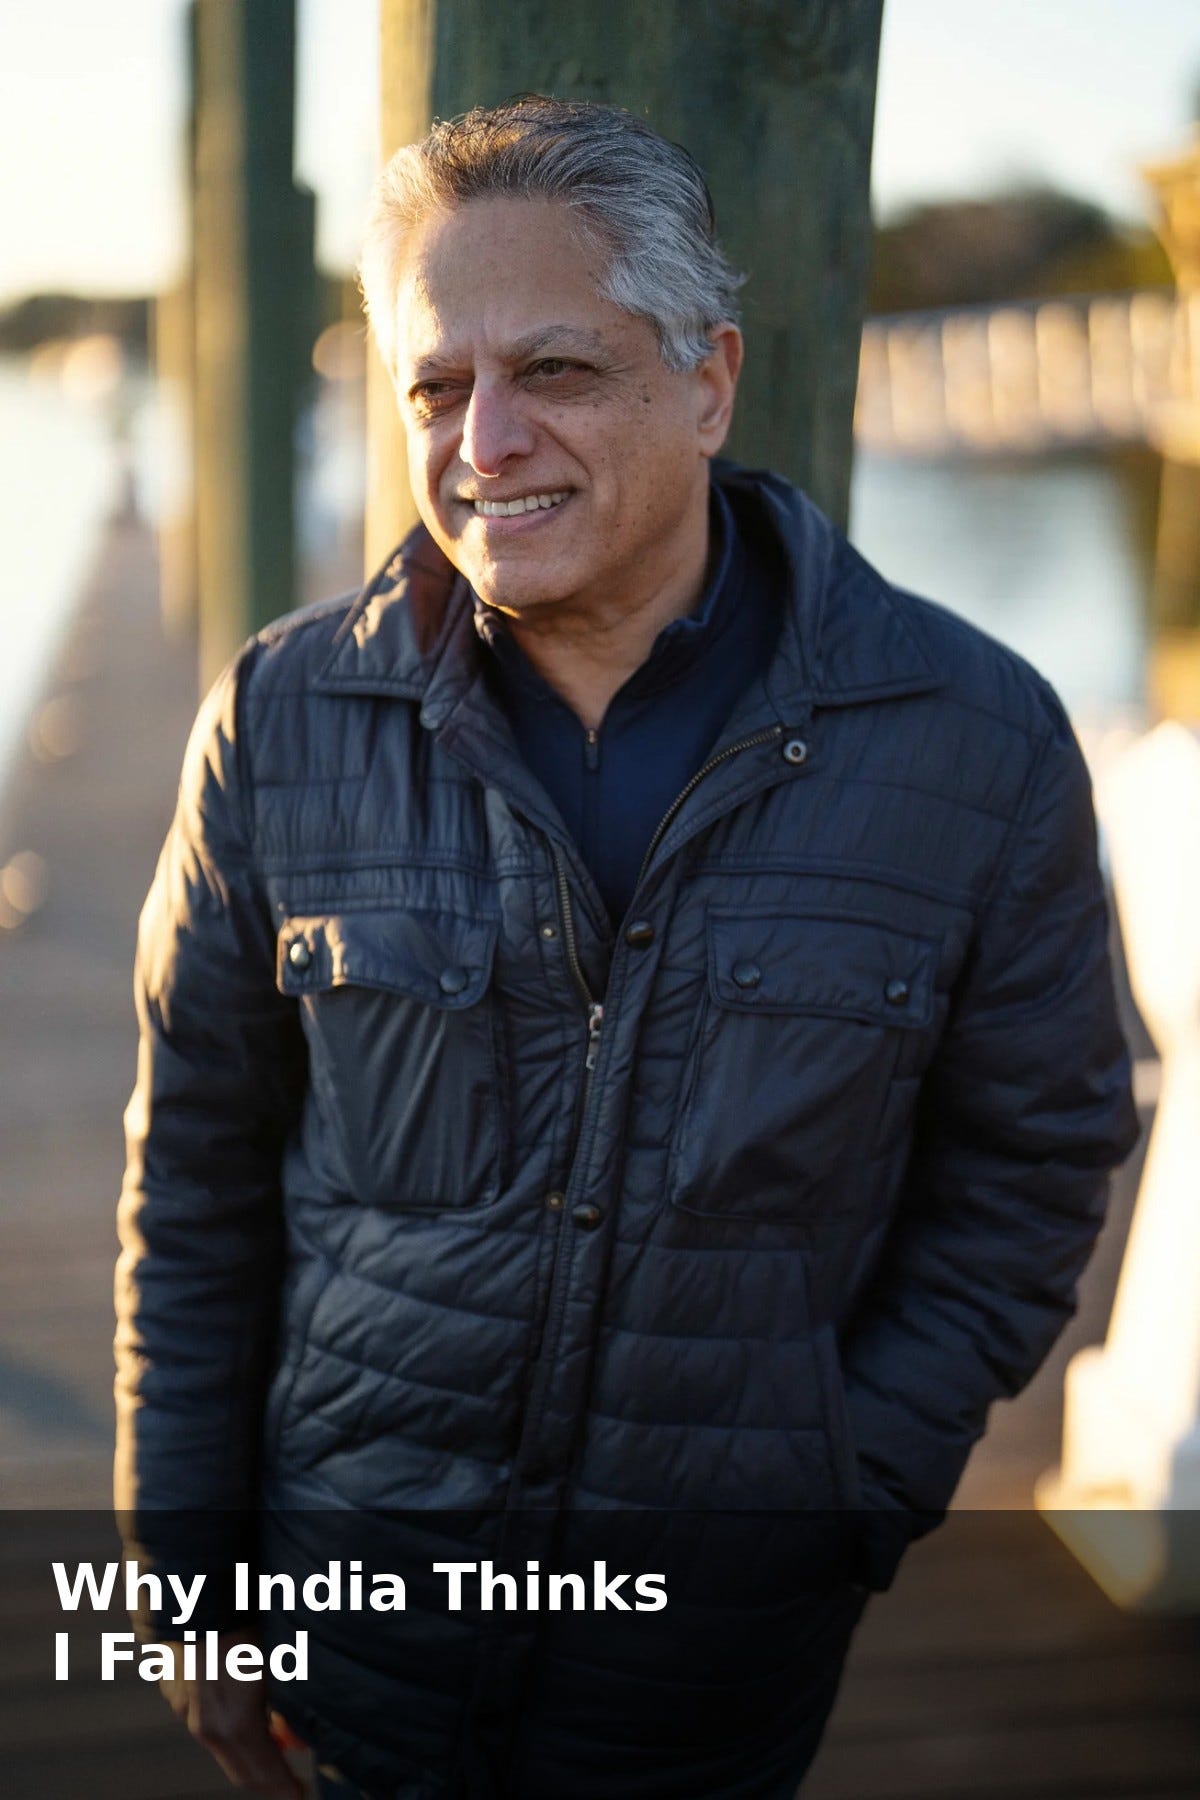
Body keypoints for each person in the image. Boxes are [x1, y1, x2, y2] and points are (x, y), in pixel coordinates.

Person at [115, 95, 1139, 1800]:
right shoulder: (281, 720)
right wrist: (186, 1579)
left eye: (557, 371)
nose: (485, 440)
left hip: (707, 1672)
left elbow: (1032, 1164)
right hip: (354, 1626)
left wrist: (846, 1489)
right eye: (436, 386)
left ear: (710, 382)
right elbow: (196, 1178)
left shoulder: (977, 743)